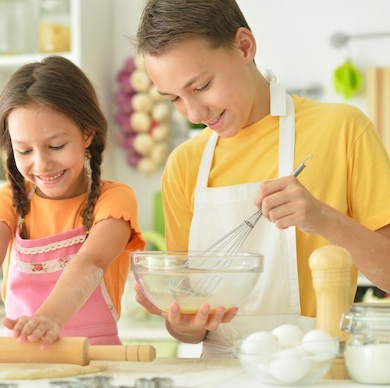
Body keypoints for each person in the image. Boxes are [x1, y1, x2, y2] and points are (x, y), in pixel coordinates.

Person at [133, 0, 390, 358]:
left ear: (244, 46)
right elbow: (189, 324)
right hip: (219, 383)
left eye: (202, 86)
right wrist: (179, 321)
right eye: (174, 98)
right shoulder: (184, 164)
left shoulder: (343, 130)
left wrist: (322, 218)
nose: (194, 113)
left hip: (319, 375)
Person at [0, 56, 145, 349]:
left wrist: (47, 319)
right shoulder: (9, 200)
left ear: (87, 133)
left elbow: (91, 263)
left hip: (94, 358)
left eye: (56, 146)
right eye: (24, 150)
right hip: (20, 358)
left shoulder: (114, 199)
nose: (42, 164)